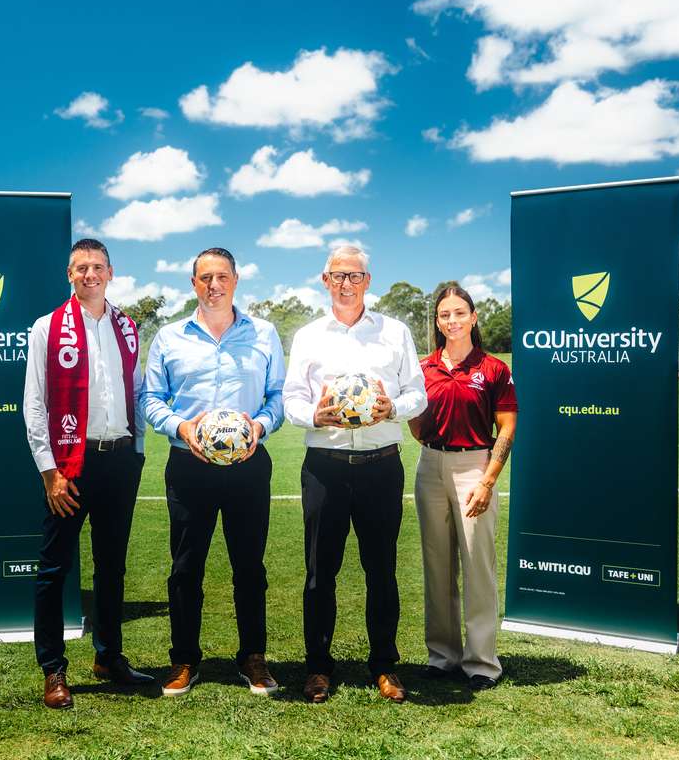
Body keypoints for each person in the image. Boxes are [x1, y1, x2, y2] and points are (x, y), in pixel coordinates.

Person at [283, 244, 427, 704]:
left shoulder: (396, 331)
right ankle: (318, 668)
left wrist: (392, 408)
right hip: (324, 469)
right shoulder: (307, 336)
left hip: (381, 466)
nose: (346, 283)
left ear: (369, 280)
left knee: (381, 570)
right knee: (319, 574)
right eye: (338, 275)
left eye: (355, 275)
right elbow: (291, 401)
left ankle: (385, 666)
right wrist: (315, 416)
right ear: (324, 280)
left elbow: (417, 394)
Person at [141, 247, 286, 697]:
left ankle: (253, 658)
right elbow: (150, 399)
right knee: (185, 568)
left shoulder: (263, 334)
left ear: (236, 280)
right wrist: (182, 427)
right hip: (189, 465)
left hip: (248, 466)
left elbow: (277, 396)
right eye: (205, 277)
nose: (214, 285)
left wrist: (257, 428)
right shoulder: (169, 337)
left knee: (249, 567)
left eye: (222, 276)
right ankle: (184, 659)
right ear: (193, 283)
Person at [23, 238, 153, 710]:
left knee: (112, 567)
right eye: (81, 268)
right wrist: (49, 471)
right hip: (70, 466)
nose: (90, 275)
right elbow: (35, 404)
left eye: (98, 267)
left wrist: (136, 453)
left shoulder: (127, 327)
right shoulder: (47, 328)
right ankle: (54, 670)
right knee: (54, 569)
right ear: (69, 274)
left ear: (111, 272)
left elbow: (136, 392)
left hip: (119, 460)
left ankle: (109, 657)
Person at [408, 285, 517, 691]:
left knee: (477, 566)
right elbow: (415, 419)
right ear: (436, 322)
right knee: (437, 566)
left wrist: (488, 480)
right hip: (430, 467)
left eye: (459, 313)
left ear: (473, 317)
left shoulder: (492, 368)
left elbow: (506, 425)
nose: (452, 321)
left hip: (475, 467)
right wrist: (430, 444)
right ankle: (443, 656)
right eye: (444, 315)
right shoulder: (423, 367)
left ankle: (482, 663)